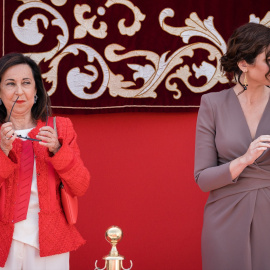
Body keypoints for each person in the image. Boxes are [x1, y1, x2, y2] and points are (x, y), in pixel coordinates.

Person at [0, 53, 90, 269]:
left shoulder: (60, 128)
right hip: (4, 237)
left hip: (50, 237)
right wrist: (3, 151)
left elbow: (81, 185)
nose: (19, 91)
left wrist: (57, 150)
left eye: (26, 83)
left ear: (36, 91)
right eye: (10, 84)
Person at [194, 22, 270, 270]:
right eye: (268, 59)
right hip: (224, 218)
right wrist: (244, 159)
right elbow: (203, 179)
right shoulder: (212, 105)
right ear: (243, 64)